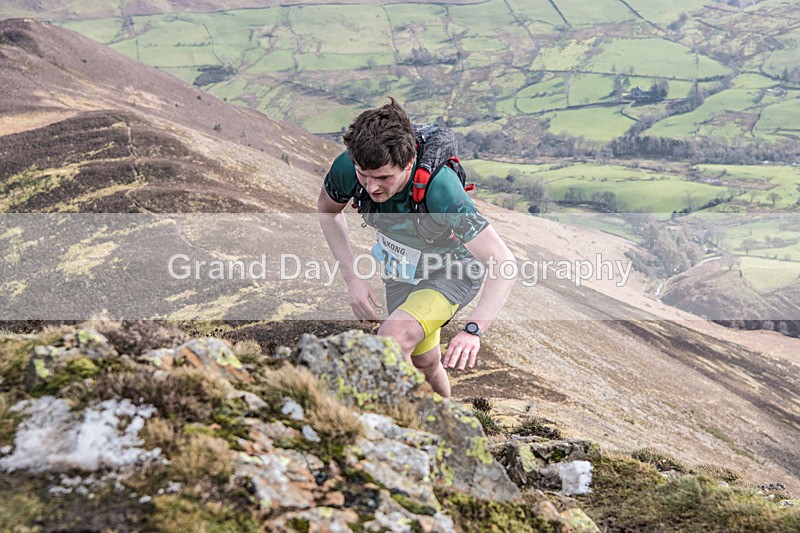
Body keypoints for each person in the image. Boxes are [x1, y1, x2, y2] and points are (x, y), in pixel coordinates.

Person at [317, 98, 516, 398]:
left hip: (454, 269)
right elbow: (328, 211)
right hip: (402, 271)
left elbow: (503, 262)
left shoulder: (439, 188)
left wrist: (474, 330)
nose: (371, 187)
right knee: (424, 361)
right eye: (363, 175)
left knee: (391, 340)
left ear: (408, 163)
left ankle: (388, 429)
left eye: (384, 177)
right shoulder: (349, 165)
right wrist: (352, 279)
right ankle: (450, 423)